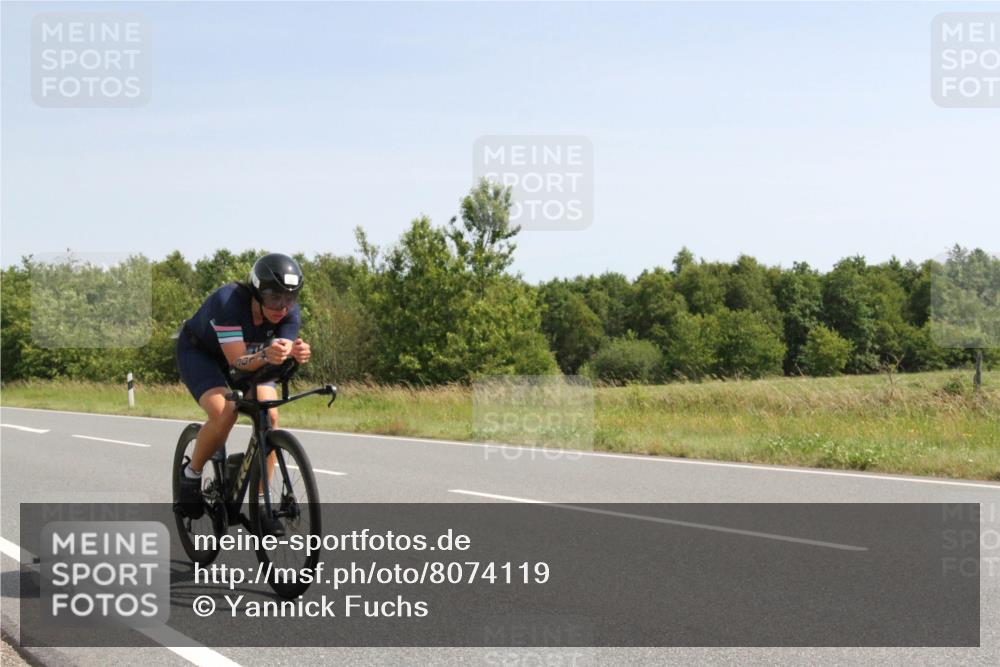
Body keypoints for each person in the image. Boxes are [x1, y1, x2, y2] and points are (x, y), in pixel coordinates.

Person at [175, 253, 311, 532]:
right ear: (257, 291)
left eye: (290, 298)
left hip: (249, 358)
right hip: (202, 355)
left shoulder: (289, 312)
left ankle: (260, 503)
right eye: (274, 298)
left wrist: (294, 355)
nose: (282, 307)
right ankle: (191, 474)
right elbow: (238, 362)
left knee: (270, 416)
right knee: (225, 412)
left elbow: (275, 359)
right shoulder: (229, 302)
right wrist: (267, 353)